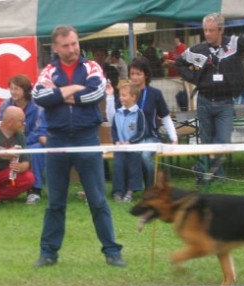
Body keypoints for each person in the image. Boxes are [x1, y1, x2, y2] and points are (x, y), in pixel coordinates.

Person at [31, 25, 125, 268]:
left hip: (86, 138)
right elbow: (39, 97)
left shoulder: (92, 67)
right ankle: (48, 253)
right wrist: (74, 90)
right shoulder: (49, 70)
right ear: (55, 48)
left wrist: (60, 94)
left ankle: (112, 252)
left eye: (74, 43)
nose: (72, 49)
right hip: (57, 139)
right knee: (55, 201)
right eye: (66, 45)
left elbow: (96, 94)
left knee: (97, 199)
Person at [176, 11, 244, 183]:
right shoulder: (198, 50)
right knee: (207, 143)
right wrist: (194, 78)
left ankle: (201, 169)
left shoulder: (233, 44)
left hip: (225, 103)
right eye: (205, 30)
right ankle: (215, 178)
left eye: (211, 30)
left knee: (223, 142)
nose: (207, 34)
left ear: (221, 30)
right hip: (204, 101)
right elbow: (179, 62)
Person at [112, 58, 177, 190]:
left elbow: (165, 117)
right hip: (129, 138)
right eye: (132, 74)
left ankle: (150, 189)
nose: (134, 77)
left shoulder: (155, 94)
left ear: (145, 75)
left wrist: (174, 139)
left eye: (138, 74)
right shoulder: (124, 94)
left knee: (145, 156)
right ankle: (125, 189)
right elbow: (113, 116)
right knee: (125, 156)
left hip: (150, 137)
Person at [0, 74, 48, 204]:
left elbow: (39, 130)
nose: (13, 92)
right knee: (2, 151)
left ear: (25, 90)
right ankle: (5, 189)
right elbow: (0, 126)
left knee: (35, 151)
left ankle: (35, 190)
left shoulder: (37, 106)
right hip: (10, 141)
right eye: (11, 88)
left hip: (31, 141)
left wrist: (23, 144)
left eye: (17, 89)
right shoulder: (5, 106)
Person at [106, 82, 146, 202]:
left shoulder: (139, 113)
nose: (121, 98)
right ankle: (118, 192)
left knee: (133, 168)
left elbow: (142, 132)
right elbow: (114, 129)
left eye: (124, 95)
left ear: (133, 97)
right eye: (120, 95)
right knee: (118, 167)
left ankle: (130, 191)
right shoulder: (118, 113)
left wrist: (131, 141)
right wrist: (117, 141)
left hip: (134, 148)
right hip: (120, 148)